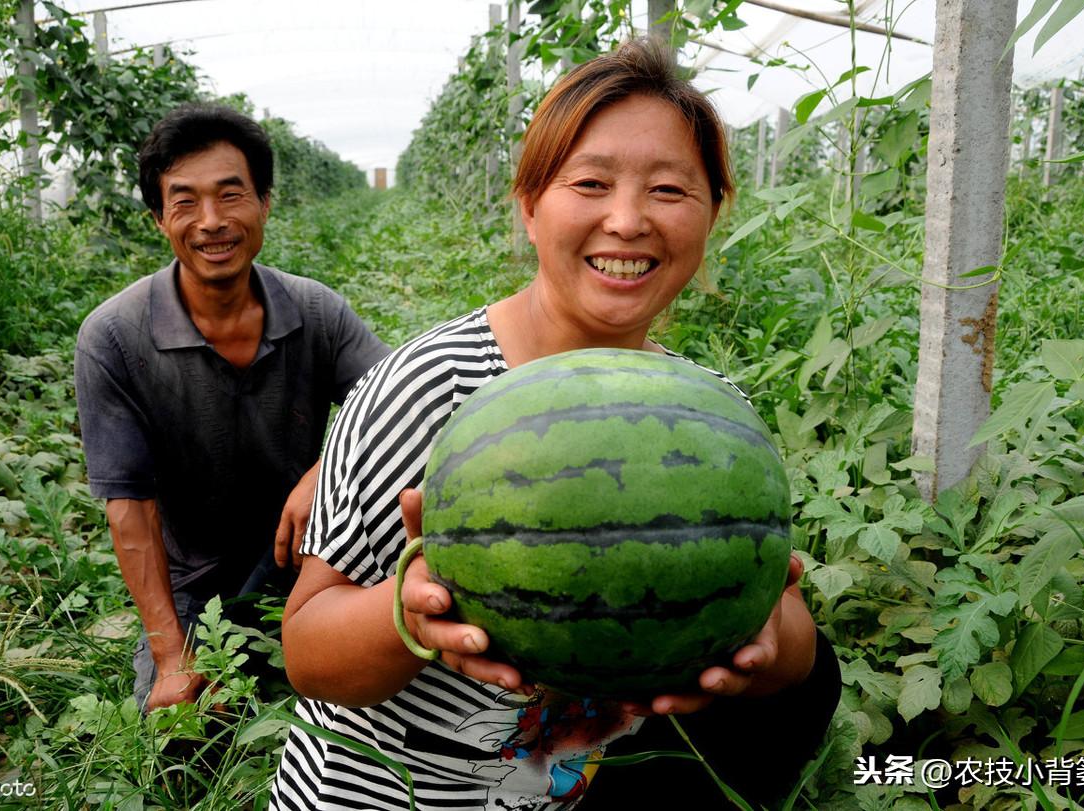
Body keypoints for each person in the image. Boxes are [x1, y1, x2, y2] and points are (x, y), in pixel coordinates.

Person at [270, 40, 839, 811]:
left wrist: (772, 643)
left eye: (670, 189)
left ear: (712, 213)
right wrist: (404, 607)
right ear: (531, 205)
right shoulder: (430, 388)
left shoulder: (709, 407)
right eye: (591, 183)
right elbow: (307, 650)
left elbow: (790, 635)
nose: (629, 219)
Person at [74, 104, 390, 713]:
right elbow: (131, 512)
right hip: (197, 586)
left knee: (375, 696)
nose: (212, 222)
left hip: (320, 559)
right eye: (185, 201)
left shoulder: (317, 312)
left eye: (230, 195)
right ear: (159, 219)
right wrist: (172, 659)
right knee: (183, 735)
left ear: (265, 204)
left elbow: (400, 405)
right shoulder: (114, 337)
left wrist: (325, 471)